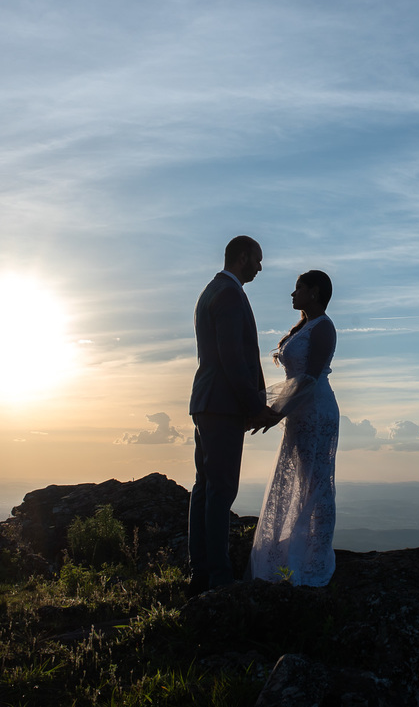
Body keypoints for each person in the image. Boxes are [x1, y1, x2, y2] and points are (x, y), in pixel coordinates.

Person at [188, 236, 281, 595]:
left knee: (206, 487)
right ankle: (218, 575)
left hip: (208, 401)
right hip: (222, 404)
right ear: (243, 257)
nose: (260, 266)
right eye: (257, 260)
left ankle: (201, 570)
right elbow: (232, 358)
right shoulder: (228, 294)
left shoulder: (213, 290)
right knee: (221, 488)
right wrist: (255, 407)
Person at [249, 269, 339, 587]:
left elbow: (310, 379)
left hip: (316, 410)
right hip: (301, 411)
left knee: (318, 481)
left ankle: (316, 555)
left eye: (298, 288)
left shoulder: (324, 328)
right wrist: (279, 411)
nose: (292, 294)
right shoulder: (306, 327)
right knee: (305, 477)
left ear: (314, 292)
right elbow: (296, 380)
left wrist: (277, 412)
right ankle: (299, 550)